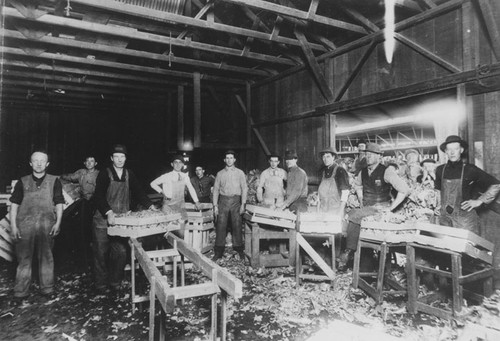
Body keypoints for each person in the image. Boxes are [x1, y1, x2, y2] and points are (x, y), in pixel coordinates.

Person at [92, 144, 154, 291]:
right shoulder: (104, 173)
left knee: (120, 252)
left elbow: (139, 191)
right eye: (116, 157)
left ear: (125, 158)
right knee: (101, 252)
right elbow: (98, 195)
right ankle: (100, 284)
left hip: (122, 220)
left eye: (122, 157)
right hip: (102, 219)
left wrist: (150, 206)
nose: (119, 160)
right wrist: (108, 212)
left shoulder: (128, 174)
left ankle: (115, 282)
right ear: (111, 158)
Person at [340, 142, 411, 271]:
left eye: (372, 155)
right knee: (350, 215)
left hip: (380, 207)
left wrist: (390, 208)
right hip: (367, 208)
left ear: (379, 156)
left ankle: (349, 250)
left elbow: (405, 190)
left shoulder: (386, 171)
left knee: (353, 214)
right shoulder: (363, 172)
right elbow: (358, 185)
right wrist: (361, 199)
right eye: (367, 154)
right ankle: (364, 267)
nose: (368, 157)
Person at [9, 150, 64, 300]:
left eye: (42, 161)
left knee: (47, 256)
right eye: (35, 161)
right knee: (23, 258)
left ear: (47, 164)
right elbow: (14, 205)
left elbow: (59, 203)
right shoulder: (23, 181)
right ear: (30, 163)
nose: (39, 163)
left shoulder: (54, 181)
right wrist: (13, 226)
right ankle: (21, 291)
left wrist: (58, 223)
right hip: (25, 226)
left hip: (47, 225)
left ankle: (47, 289)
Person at [435, 135, 500, 234]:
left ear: (461, 150)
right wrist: (439, 205)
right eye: (449, 149)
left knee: (467, 248)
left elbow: (496, 184)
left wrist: (479, 201)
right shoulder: (440, 170)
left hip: (465, 221)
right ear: (445, 151)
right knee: (447, 248)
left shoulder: (470, 169)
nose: (452, 152)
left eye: (456, 149)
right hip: (445, 220)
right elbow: (439, 189)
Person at [59, 155, 99, 266]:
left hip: (96, 201)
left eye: (92, 161)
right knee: (78, 222)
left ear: (95, 163)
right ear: (84, 163)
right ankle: (81, 252)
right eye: (88, 161)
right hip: (85, 202)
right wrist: (59, 177)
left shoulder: (99, 174)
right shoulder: (81, 172)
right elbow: (69, 177)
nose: (90, 163)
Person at [212, 150, 248, 261]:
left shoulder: (240, 173)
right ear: (224, 160)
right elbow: (216, 190)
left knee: (237, 225)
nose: (229, 160)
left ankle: (239, 250)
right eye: (227, 158)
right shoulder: (220, 173)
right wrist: (215, 206)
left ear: (234, 160)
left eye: (231, 157)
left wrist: (243, 204)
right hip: (223, 201)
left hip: (236, 201)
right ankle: (218, 252)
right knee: (221, 225)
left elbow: (244, 188)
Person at [317, 147, 350, 214]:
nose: (325, 159)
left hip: (336, 210)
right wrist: (317, 210)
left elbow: (345, 192)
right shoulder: (323, 172)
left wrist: (341, 211)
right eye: (323, 157)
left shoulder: (340, 170)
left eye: (328, 156)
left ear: (333, 157)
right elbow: (319, 195)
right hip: (323, 210)